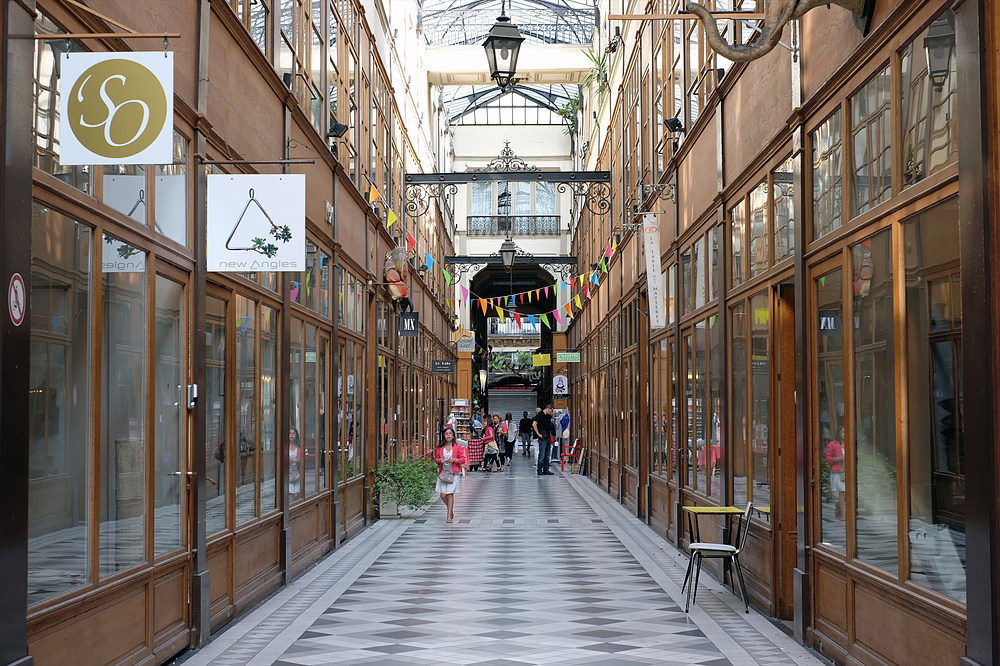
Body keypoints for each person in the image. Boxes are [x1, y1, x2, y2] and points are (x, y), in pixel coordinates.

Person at [435, 426, 469, 523]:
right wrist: (439, 461)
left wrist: (455, 460)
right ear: (444, 435)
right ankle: (450, 509)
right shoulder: (441, 447)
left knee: (450, 494)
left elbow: (462, 458)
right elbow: (436, 458)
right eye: (446, 434)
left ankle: (449, 515)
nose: (448, 435)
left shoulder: (457, 446)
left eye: (450, 433)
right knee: (443, 495)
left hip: (453, 473)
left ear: (453, 435)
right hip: (443, 473)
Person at [826, 427, 846, 520]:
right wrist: (839, 459)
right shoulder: (833, 445)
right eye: (842, 432)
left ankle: (839, 505)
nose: (845, 434)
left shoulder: (851, 444)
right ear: (838, 434)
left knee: (846, 492)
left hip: (848, 471)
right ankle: (843, 514)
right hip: (838, 472)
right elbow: (828, 458)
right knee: (842, 492)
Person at [533, 405, 554, 476]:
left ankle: (546, 469)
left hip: (548, 436)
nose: (552, 412)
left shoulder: (549, 416)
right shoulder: (540, 415)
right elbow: (534, 424)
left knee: (547, 454)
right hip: (542, 437)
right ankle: (539, 469)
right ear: (548, 409)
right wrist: (538, 433)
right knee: (542, 454)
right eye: (551, 410)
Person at [288, 427, 302, 500]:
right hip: (288, 473)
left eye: (293, 433)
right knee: (290, 494)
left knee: (296, 494)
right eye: (290, 433)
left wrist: (299, 459)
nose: (291, 435)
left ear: (296, 435)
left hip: (297, 473)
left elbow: (302, 458)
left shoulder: (298, 448)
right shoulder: (286, 447)